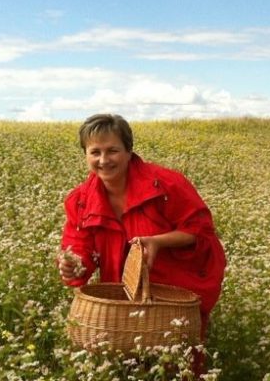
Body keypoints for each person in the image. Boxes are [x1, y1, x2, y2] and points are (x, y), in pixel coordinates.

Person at [58, 113, 227, 357]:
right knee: (125, 367)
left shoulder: (165, 185)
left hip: (170, 296)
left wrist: (158, 241)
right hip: (123, 302)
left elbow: (200, 230)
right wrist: (73, 265)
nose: (104, 160)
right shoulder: (81, 200)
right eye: (95, 152)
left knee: (178, 367)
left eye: (112, 150)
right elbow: (78, 248)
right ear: (85, 155)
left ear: (129, 151)